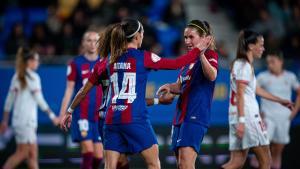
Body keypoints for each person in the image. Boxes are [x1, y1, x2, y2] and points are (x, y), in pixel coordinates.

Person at [60, 18, 211, 169]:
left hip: (111, 120)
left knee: (110, 166)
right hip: (135, 119)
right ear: (138, 36)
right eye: (143, 34)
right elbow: (177, 63)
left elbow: (83, 91)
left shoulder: (106, 61)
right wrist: (199, 49)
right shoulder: (144, 57)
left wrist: (69, 111)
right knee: (153, 163)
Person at [221, 30, 294, 169]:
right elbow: (241, 94)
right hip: (247, 117)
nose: (263, 48)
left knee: (236, 162)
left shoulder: (239, 64)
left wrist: (280, 100)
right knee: (266, 161)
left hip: (236, 115)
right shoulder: (245, 66)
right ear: (250, 46)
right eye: (260, 45)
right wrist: (242, 121)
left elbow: (254, 89)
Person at [156, 20, 218, 169]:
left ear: (204, 38)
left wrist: (201, 54)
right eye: (185, 37)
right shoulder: (188, 59)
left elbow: (212, 75)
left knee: (186, 164)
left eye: (191, 37)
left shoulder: (210, 55)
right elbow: (181, 85)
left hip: (195, 115)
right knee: (180, 164)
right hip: (180, 116)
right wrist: (170, 87)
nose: (187, 41)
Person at [0, 47, 59, 169]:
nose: (38, 63)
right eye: (36, 60)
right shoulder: (33, 77)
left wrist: (5, 121)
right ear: (30, 62)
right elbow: (40, 100)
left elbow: (8, 102)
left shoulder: (17, 76)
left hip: (19, 122)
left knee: (32, 154)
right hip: (26, 123)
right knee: (22, 153)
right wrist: (53, 116)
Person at [58, 30, 104, 169]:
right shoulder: (75, 63)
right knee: (88, 151)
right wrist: (63, 113)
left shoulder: (104, 62)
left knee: (99, 156)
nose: (92, 44)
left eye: (95, 40)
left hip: (98, 116)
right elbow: (69, 89)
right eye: (88, 40)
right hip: (81, 115)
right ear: (83, 43)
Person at [250, 52, 300, 169]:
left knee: (277, 151)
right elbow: (250, 92)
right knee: (262, 151)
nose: (270, 65)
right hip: (267, 118)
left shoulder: (290, 77)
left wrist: (295, 111)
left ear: (280, 61)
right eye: (268, 63)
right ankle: (255, 163)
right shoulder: (263, 76)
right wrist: (257, 113)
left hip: (284, 120)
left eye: (272, 62)